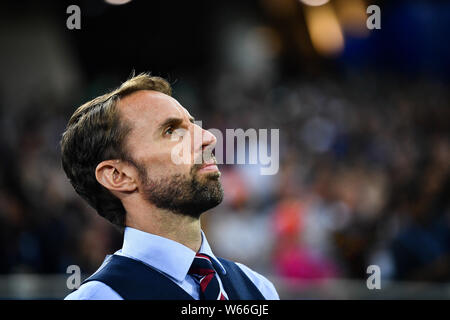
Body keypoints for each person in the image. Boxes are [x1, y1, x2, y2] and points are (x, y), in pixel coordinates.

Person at [61, 73, 279, 300]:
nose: (208, 138)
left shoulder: (258, 288)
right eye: (171, 131)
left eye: (193, 125)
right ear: (119, 175)